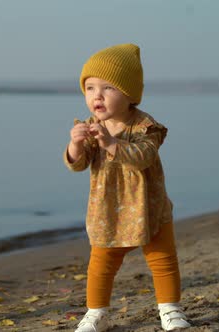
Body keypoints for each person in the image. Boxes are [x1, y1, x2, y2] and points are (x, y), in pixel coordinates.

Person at [64, 44, 192, 332]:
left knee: (162, 259)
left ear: (130, 94)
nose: (97, 95)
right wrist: (75, 145)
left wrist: (110, 143)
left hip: (150, 208)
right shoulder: (90, 126)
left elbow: (142, 157)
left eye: (108, 88)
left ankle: (170, 308)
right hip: (108, 211)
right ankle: (97, 312)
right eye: (90, 88)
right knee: (100, 265)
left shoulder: (146, 127)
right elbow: (78, 163)